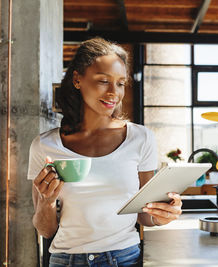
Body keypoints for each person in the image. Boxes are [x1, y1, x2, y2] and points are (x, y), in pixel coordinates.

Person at [28, 37, 182, 267]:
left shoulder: (140, 138)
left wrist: (163, 215)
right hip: (65, 260)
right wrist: (47, 202)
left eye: (120, 83)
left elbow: (144, 214)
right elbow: (45, 228)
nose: (114, 92)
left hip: (124, 259)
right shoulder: (45, 146)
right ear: (77, 79)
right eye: (103, 81)